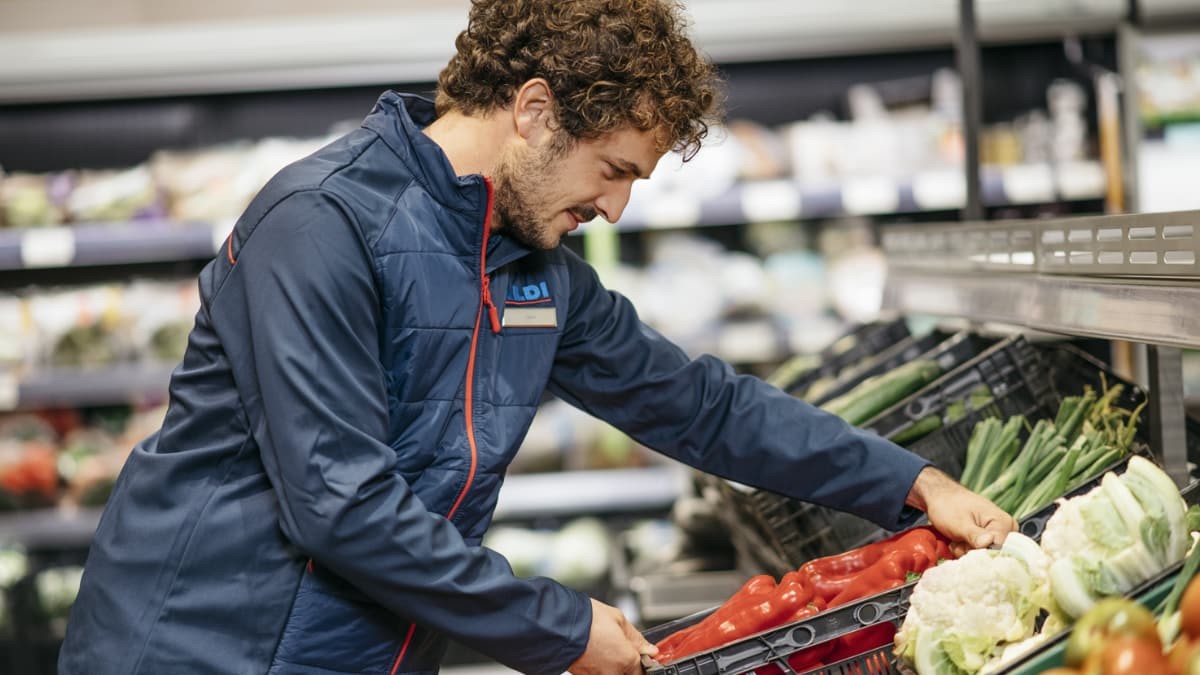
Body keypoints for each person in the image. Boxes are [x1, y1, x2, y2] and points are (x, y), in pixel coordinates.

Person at [59, 1, 1017, 673]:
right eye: (611, 168)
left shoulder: (532, 268)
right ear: (533, 110)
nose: (613, 204)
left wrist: (913, 484)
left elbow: (700, 405)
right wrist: (556, 629)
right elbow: (340, 503)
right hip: (194, 646)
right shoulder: (323, 224)